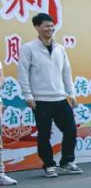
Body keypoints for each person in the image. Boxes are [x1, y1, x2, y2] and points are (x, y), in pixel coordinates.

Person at [16, 13, 80, 178]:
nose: (50, 29)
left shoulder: (60, 48)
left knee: (71, 130)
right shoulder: (28, 48)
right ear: (37, 27)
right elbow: (23, 73)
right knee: (44, 134)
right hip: (40, 100)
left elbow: (66, 72)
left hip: (60, 98)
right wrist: (28, 95)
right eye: (46, 26)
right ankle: (49, 165)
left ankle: (67, 162)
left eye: (52, 26)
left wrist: (71, 93)